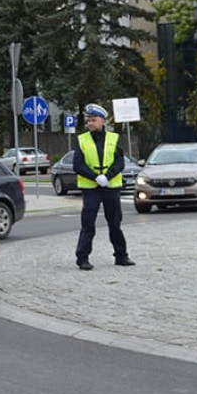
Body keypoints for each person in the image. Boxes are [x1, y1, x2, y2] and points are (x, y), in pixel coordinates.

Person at [72, 103, 134, 271]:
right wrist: (95, 177)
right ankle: (82, 258)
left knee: (115, 223)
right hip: (91, 188)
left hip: (111, 186)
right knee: (88, 225)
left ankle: (121, 255)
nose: (90, 123)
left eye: (93, 120)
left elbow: (120, 162)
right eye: (89, 121)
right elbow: (77, 165)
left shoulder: (114, 138)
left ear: (103, 121)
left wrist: (107, 176)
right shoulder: (82, 139)